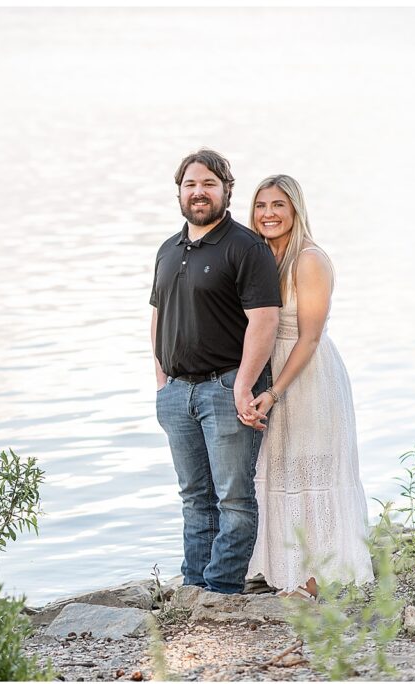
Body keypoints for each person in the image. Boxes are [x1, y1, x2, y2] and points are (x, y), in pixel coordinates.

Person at [151, 149, 282, 595]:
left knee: (234, 499)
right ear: (179, 191)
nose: (199, 192)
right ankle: (195, 588)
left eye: (208, 183)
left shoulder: (247, 248)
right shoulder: (168, 250)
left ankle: (222, 589)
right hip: (176, 394)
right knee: (194, 499)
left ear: (226, 188)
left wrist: (243, 385)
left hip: (226, 388)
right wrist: (161, 383)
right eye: (190, 184)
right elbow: (158, 316)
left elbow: (265, 321)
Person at [243, 174, 374, 599]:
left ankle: (314, 581)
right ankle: (282, 570)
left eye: (278, 205)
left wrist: (275, 390)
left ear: (295, 209)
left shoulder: (309, 259)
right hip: (271, 372)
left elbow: (310, 337)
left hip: (308, 374)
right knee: (276, 468)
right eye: (261, 206)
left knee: (312, 469)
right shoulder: (262, 257)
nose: (268, 214)